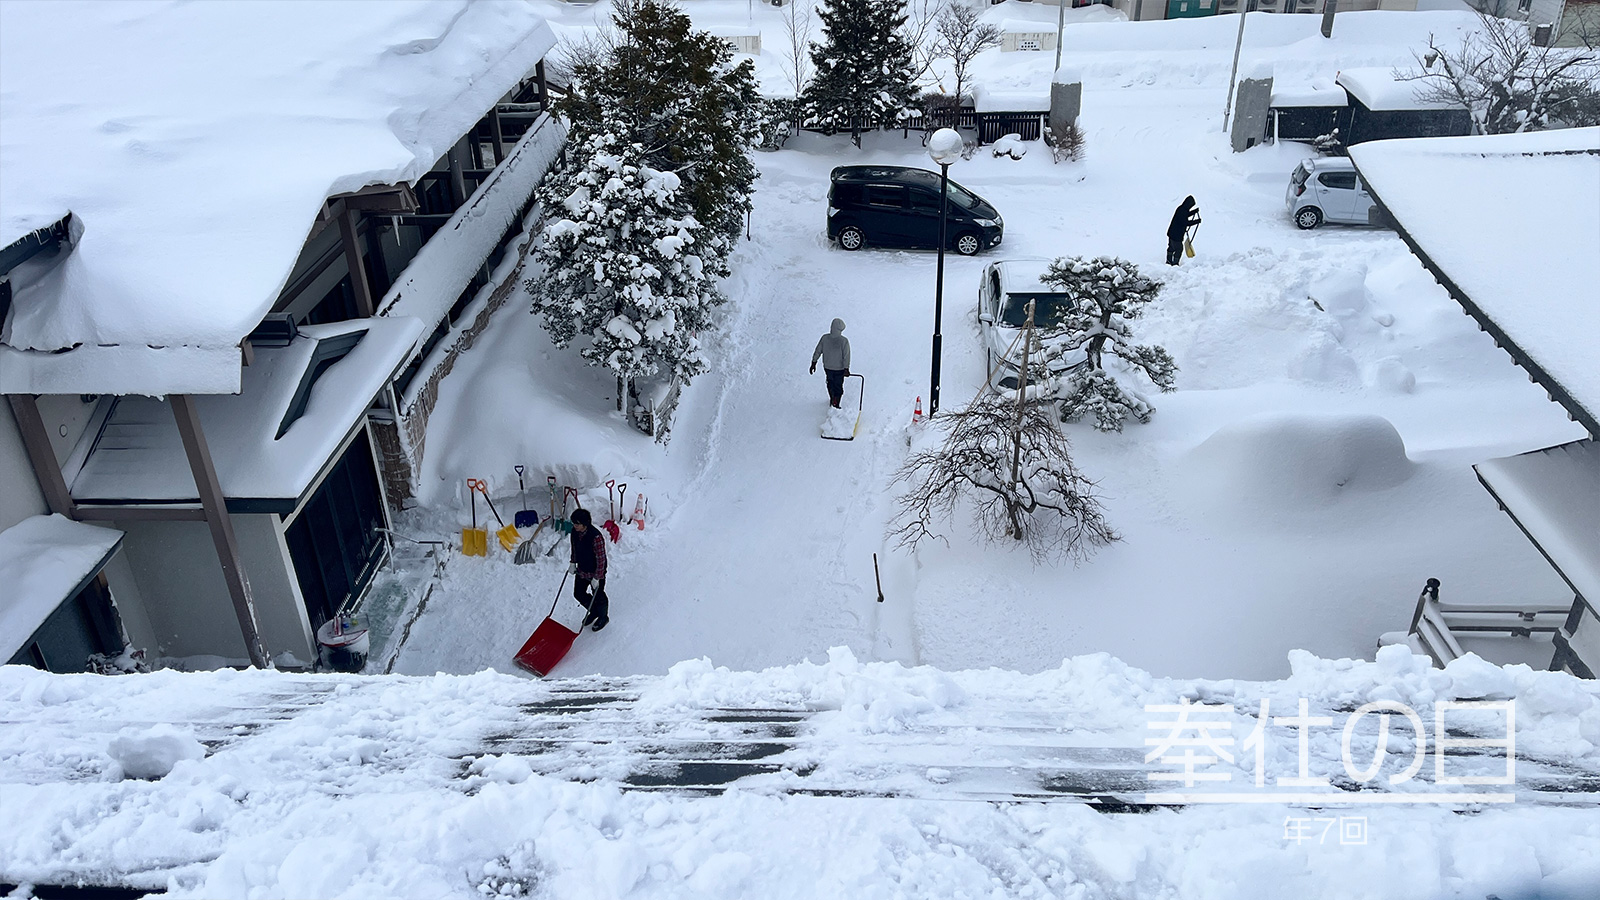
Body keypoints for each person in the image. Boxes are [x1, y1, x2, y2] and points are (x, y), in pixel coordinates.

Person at [568, 508, 608, 631]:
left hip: (595, 571)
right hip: (582, 569)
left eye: (577, 524)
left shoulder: (595, 537)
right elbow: (574, 548)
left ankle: (603, 617)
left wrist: (597, 577)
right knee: (578, 593)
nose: (574, 526)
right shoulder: (575, 532)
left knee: (598, 595)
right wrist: (573, 562)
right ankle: (594, 611)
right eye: (574, 523)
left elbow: (601, 559)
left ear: (585, 524)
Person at [809, 318, 852, 408]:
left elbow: (818, 350)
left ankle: (832, 398)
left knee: (830, 383)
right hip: (839, 368)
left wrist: (814, 362)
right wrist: (846, 368)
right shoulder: (843, 341)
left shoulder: (825, 338)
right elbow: (846, 355)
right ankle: (836, 403)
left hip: (828, 367)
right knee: (838, 385)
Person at [1166, 196, 1200, 266]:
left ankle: (1168, 260)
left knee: (1171, 247)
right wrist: (1196, 221)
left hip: (1171, 233)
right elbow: (1185, 223)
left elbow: (1185, 215)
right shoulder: (1183, 211)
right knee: (1179, 249)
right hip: (1177, 235)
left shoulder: (1181, 208)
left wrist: (1194, 212)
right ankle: (1175, 263)